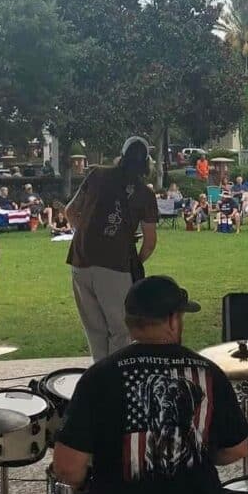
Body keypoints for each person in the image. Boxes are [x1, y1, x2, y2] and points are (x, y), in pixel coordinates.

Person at [44, 276, 248, 494]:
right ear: (173, 320)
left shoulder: (99, 377)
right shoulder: (208, 373)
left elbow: (67, 468)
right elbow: (237, 449)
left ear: (129, 322)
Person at [65, 136, 158, 362]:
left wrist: (89, 235)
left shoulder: (97, 174)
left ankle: (98, 378)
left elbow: (70, 211)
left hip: (80, 260)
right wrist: (135, 260)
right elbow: (149, 240)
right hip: (116, 265)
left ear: (122, 156)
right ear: (145, 163)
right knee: (120, 331)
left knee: (95, 331)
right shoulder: (145, 194)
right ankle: (114, 382)